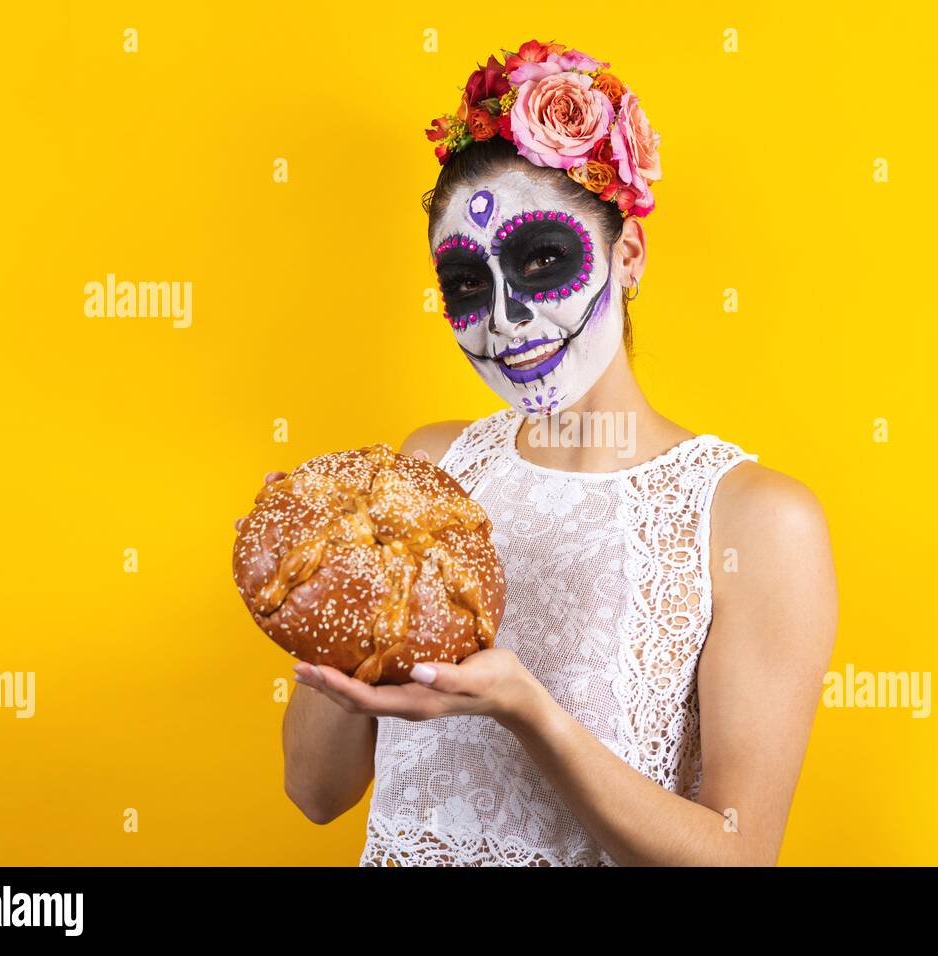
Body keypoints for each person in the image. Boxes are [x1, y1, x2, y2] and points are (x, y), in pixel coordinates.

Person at [273, 39, 838, 865]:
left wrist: (527, 711)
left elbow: (737, 857)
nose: (503, 319)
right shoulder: (425, 475)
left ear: (628, 255)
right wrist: (337, 586)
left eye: (542, 261)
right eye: (467, 283)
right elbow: (314, 794)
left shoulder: (755, 519)